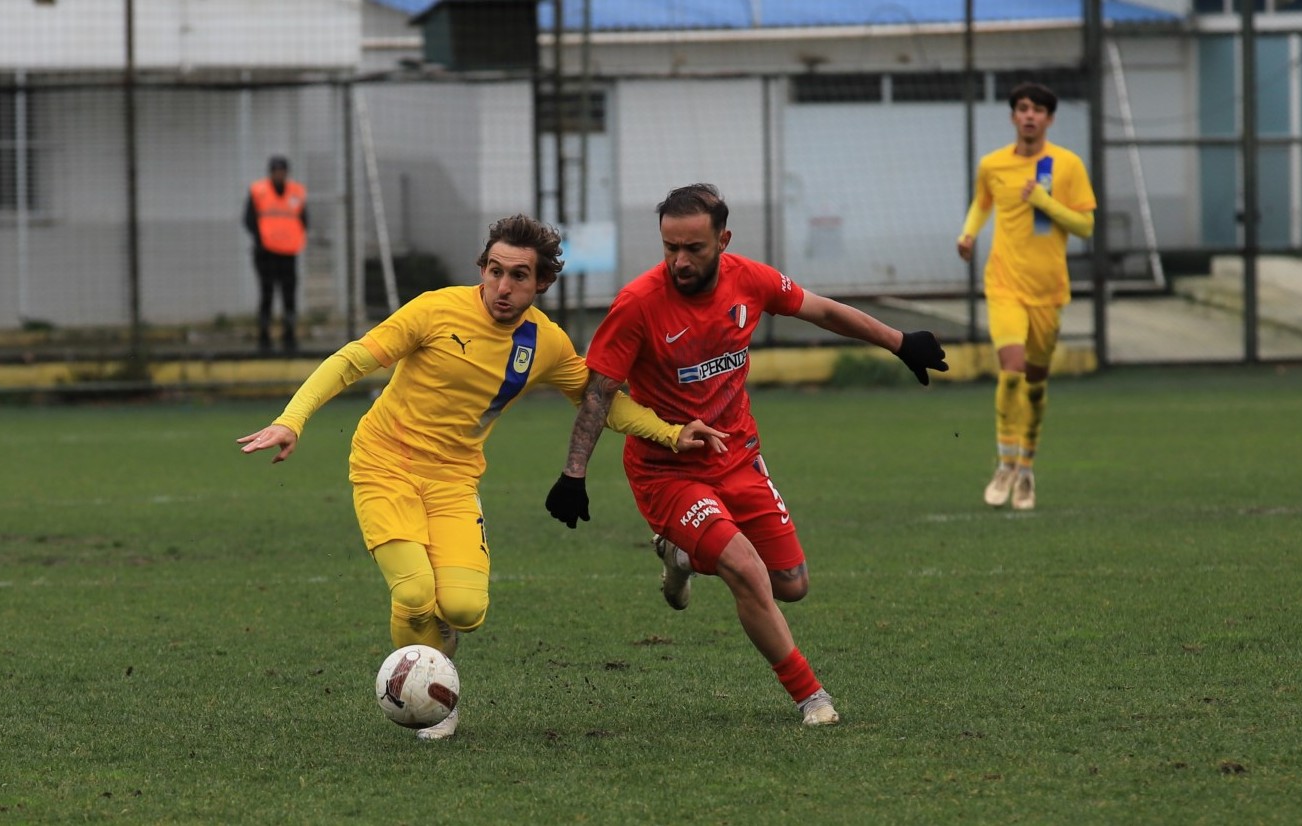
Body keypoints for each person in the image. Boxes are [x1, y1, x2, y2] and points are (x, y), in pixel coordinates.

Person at [238, 214, 724, 741]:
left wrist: (673, 434)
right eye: (495, 271)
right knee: (417, 593)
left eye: (519, 276)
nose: (503, 287)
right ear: (482, 269)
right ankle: (434, 699)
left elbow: (601, 402)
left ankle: (435, 665)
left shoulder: (546, 343)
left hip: (452, 479)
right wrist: (292, 419)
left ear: (541, 284)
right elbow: (351, 360)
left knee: (464, 609)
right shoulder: (434, 310)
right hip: (384, 464)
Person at [543, 183, 948, 727]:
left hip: (738, 457)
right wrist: (574, 473)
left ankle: (681, 557)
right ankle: (812, 698)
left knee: (792, 584)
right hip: (667, 470)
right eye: (670, 248)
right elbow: (599, 391)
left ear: (723, 239)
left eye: (694, 249)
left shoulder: (749, 280)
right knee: (746, 570)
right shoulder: (638, 304)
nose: (680, 262)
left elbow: (821, 310)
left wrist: (900, 342)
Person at [956, 82, 1096, 511]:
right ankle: (1004, 463)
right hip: (1003, 285)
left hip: (1048, 292)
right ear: (1014, 116)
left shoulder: (1066, 165)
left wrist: (1043, 201)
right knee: (1011, 371)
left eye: (1038, 109)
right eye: (1022, 108)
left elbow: (1085, 227)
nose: (1029, 115)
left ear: (1050, 119)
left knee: (1035, 387)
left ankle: (1027, 470)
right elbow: (983, 202)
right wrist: (968, 233)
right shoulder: (993, 164)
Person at [243, 155, 308, 354]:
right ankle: (265, 338)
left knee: (289, 296)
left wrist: (289, 239)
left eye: (282, 171)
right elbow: (249, 220)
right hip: (266, 254)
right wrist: (263, 240)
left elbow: (303, 220)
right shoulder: (258, 192)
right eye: (276, 171)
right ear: (271, 172)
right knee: (267, 295)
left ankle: (289, 337)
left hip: (288, 253)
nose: (279, 174)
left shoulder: (296, 192)